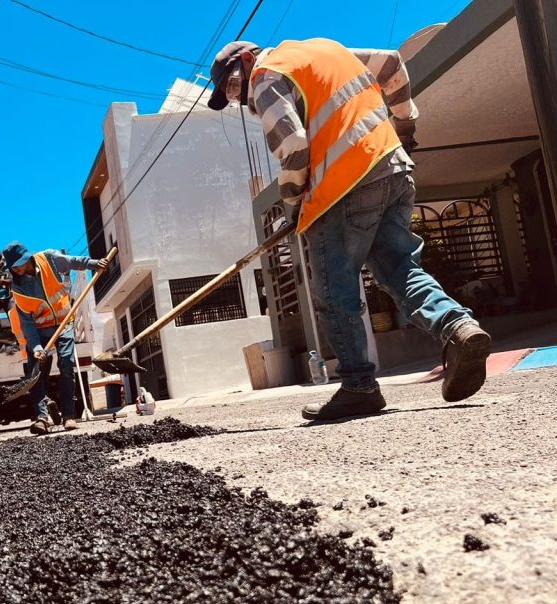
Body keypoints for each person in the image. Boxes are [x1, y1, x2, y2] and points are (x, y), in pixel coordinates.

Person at [207, 39, 492, 420]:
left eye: (231, 86)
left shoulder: (264, 74)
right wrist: (405, 123)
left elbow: (292, 145)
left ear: (246, 59)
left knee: (332, 287)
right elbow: (391, 63)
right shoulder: (325, 50)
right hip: (392, 165)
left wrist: (292, 203)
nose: (238, 98)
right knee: (399, 268)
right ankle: (458, 329)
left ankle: (359, 385)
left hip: (343, 186)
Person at [3, 241, 112, 434]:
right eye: (13, 267)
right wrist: (36, 348)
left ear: (27, 258)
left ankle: (69, 416)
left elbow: (73, 262)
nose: (16, 269)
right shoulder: (18, 289)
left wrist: (94, 264)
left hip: (63, 324)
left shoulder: (49, 260)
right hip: (39, 330)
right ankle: (41, 419)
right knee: (36, 374)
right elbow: (27, 324)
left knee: (66, 366)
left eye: (18, 264)